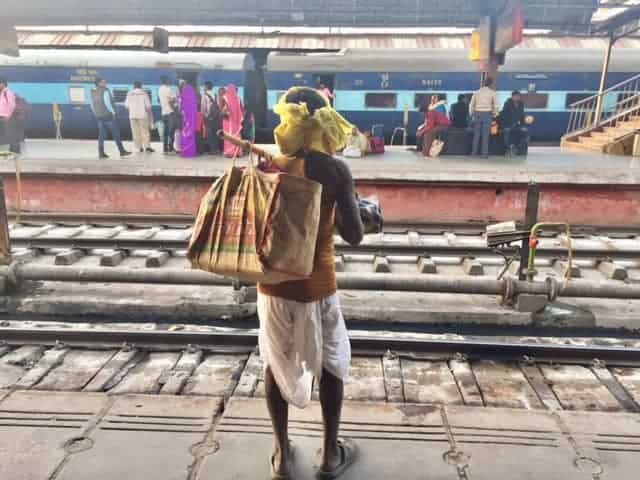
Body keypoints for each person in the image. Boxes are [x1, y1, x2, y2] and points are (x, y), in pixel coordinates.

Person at [259, 86, 364, 479]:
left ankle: (282, 455)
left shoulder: (269, 162)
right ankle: (328, 456)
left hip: (272, 287)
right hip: (318, 286)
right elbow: (354, 235)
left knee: (274, 360)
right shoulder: (334, 170)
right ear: (325, 120)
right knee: (332, 364)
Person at [90, 78, 131, 159]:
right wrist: (113, 112)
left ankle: (101, 153)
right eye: (103, 82)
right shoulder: (105, 91)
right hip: (108, 116)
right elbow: (107, 103)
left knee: (101, 136)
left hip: (99, 117)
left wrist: (96, 113)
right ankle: (122, 151)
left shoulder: (92, 91)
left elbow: (91, 105)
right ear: (99, 83)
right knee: (116, 134)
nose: (105, 83)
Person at [469, 77, 499, 157]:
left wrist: (471, 114)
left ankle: (473, 153)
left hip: (477, 113)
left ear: (483, 83)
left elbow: (471, 104)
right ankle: (484, 154)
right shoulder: (492, 93)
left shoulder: (476, 92)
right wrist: (495, 114)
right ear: (491, 84)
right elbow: (496, 105)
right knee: (485, 135)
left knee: (476, 134)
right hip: (487, 114)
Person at [125, 81, 154, 153]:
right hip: (142, 115)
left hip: (132, 115)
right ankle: (147, 147)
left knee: (135, 132)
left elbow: (126, 106)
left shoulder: (129, 93)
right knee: (145, 131)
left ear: (134, 86)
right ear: (141, 86)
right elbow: (148, 106)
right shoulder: (144, 93)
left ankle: (139, 147)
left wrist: (132, 109)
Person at [500, 90, 528, 155]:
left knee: (525, 132)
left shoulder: (521, 104)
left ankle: (518, 148)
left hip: (517, 124)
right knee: (507, 131)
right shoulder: (507, 103)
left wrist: (523, 125)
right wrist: (507, 125)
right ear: (512, 97)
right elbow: (504, 115)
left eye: (519, 96)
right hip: (507, 124)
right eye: (517, 96)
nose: (518, 97)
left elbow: (522, 115)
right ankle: (508, 147)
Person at [221, 84, 244, 157]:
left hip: (227, 121)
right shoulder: (238, 98)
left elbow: (221, 108)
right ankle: (238, 152)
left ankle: (229, 152)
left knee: (228, 136)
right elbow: (242, 109)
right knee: (236, 136)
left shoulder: (225, 98)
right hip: (236, 121)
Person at [178, 79, 198, 158]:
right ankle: (191, 151)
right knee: (191, 134)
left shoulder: (182, 97)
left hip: (185, 119)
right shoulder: (193, 98)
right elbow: (196, 108)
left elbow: (180, 108)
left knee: (184, 134)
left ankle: (185, 151)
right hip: (192, 119)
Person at [201, 81, 221, 155]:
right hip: (215, 117)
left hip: (208, 117)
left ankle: (212, 150)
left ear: (206, 87)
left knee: (209, 134)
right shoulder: (215, 95)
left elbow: (203, 108)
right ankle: (217, 149)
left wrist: (204, 116)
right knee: (215, 133)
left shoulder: (205, 95)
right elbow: (218, 106)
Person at [158, 76, 176, 154]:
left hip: (163, 113)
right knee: (171, 132)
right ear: (166, 81)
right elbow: (171, 100)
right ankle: (171, 148)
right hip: (170, 112)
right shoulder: (168, 89)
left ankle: (165, 149)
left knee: (165, 132)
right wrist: (174, 109)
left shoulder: (159, 89)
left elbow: (159, 100)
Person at [0, 78, 16, 150]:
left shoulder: (8, 93)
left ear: (3, 84)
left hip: (5, 118)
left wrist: (8, 116)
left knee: (7, 135)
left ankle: (10, 151)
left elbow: (12, 105)